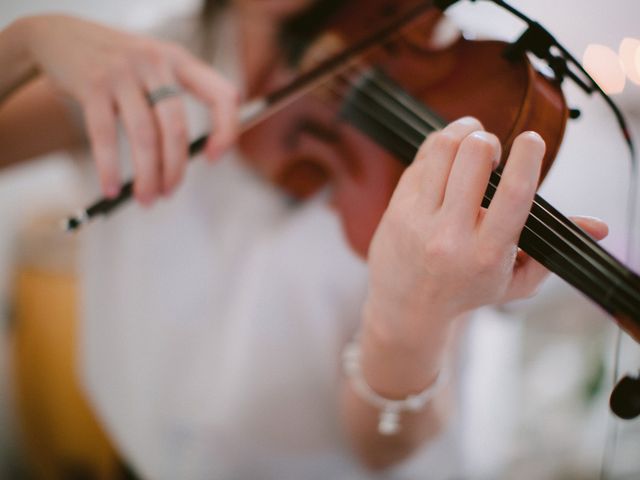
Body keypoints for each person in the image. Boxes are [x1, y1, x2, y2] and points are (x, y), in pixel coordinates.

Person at [0, 1, 608, 478]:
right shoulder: (139, 63)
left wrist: (411, 318)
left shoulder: (453, 96)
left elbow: (384, 449)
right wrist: (28, 40)